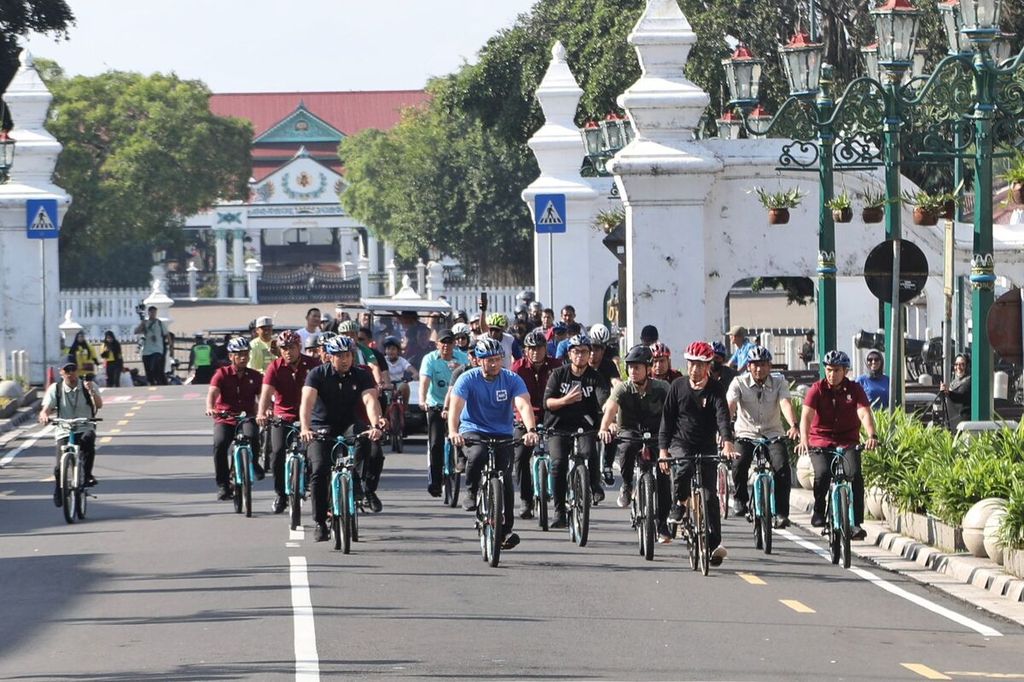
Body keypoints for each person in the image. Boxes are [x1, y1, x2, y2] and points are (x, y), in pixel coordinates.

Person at [447, 337, 539, 551]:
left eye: (498, 359)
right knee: (477, 454)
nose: (494, 364)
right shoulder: (467, 379)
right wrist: (453, 431)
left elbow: (523, 405)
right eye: (489, 360)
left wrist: (531, 430)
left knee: (505, 478)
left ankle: (506, 531)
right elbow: (456, 407)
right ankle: (470, 491)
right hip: (473, 429)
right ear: (479, 361)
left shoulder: (511, 379)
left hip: (502, 432)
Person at [299, 336, 385, 541]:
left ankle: (356, 481)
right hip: (320, 426)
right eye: (339, 356)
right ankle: (320, 522)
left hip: (348, 424)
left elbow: (370, 401)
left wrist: (374, 425)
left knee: (365, 439)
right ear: (329, 356)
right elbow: (307, 403)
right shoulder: (317, 374)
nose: (345, 360)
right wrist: (305, 428)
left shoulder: (361, 375)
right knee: (319, 471)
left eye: (348, 355)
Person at [658, 341, 735, 566]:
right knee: (683, 467)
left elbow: (722, 416)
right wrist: (663, 450)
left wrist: (728, 442)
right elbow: (667, 420)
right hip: (681, 442)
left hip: (706, 445)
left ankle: (713, 545)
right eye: (692, 364)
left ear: (709, 366)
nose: (695, 369)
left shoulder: (716, 388)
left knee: (710, 496)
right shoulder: (678, 386)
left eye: (700, 365)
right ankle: (679, 504)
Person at [796, 349, 879, 540]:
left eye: (837, 370)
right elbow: (806, 417)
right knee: (823, 473)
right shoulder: (816, 389)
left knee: (855, 475)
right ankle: (818, 510)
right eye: (829, 370)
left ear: (845, 371)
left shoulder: (855, 389)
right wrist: (803, 439)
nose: (832, 375)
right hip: (820, 440)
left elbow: (864, 413)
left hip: (847, 441)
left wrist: (871, 435)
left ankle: (856, 523)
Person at [598, 345, 674, 541]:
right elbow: (611, 409)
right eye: (630, 367)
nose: (633, 371)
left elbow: (673, 413)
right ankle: (627, 484)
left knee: (664, 476)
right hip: (630, 431)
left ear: (648, 369)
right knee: (626, 448)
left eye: (637, 367)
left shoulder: (662, 388)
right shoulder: (623, 388)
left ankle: (663, 524)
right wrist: (604, 428)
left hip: (657, 434)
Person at [726, 346, 800, 527]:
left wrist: (794, 425)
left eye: (763, 365)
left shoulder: (779, 382)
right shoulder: (738, 382)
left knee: (782, 467)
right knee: (739, 463)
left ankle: (782, 513)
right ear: (749, 366)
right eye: (755, 365)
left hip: (772, 433)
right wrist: (725, 430)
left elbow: (785, 403)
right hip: (746, 433)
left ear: (770, 366)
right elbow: (731, 405)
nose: (759, 369)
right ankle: (740, 499)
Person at [544, 333, 612, 527]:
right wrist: (565, 400)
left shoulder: (595, 378)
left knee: (589, 451)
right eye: (576, 352)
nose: (580, 356)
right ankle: (559, 511)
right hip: (559, 425)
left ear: (589, 354)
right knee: (558, 464)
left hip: (585, 425)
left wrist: (610, 418)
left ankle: (592, 484)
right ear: (569, 354)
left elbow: (604, 400)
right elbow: (547, 402)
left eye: (584, 352)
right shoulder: (558, 374)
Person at [256, 330, 320, 514]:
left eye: (291, 347)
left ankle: (311, 484)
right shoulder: (274, 367)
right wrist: (261, 413)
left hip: (308, 417)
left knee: (314, 455)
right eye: (284, 348)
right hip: (283, 417)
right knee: (276, 454)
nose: (287, 352)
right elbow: (266, 394)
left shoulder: (313, 364)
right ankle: (281, 495)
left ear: (299, 347)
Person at [204, 337, 264, 500]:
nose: (243, 357)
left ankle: (253, 462)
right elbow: (213, 392)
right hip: (225, 417)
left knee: (253, 436)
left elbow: (261, 397)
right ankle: (223, 485)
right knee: (220, 444)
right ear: (231, 356)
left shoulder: (255, 375)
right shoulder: (221, 374)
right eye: (239, 354)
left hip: (246, 416)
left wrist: (263, 411)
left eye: (246, 354)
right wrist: (210, 407)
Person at [510, 329, 561, 519]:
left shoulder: (556, 366)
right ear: (525, 350)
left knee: (560, 456)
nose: (535, 352)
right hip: (524, 418)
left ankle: (562, 498)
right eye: (531, 348)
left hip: (552, 415)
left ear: (545, 348)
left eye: (539, 348)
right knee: (521, 455)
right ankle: (526, 500)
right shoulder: (517, 368)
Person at [39, 355, 104, 502]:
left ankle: (87, 475)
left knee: (88, 442)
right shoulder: (55, 388)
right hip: (64, 428)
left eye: (73, 369)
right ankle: (59, 488)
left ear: (77, 370)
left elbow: (99, 405)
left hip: (84, 425)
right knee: (58, 466)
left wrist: (91, 390)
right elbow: (46, 408)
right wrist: (44, 415)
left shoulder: (88, 385)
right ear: (60, 372)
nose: (70, 373)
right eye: (66, 370)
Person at [420, 329, 469, 496]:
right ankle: (435, 481)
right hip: (436, 404)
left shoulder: (462, 358)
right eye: (443, 343)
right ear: (437, 344)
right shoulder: (430, 359)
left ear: (454, 344)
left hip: (458, 404)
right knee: (435, 443)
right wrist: (422, 400)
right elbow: (425, 382)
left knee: (464, 435)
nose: (446, 346)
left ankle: (460, 461)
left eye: (449, 342)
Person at [134, 306, 169, 385]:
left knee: (154, 366)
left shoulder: (159, 323)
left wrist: (170, 347)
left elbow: (167, 334)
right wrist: (142, 323)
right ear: (148, 313)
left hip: (157, 349)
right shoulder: (145, 323)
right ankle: (151, 382)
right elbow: (136, 331)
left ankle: (159, 381)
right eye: (151, 312)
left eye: (154, 312)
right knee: (148, 369)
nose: (153, 314)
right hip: (147, 350)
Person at [939, 352, 971, 430]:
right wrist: (942, 392)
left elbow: (961, 396)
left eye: (962, 364)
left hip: (963, 422)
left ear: (967, 366)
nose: (958, 367)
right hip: (951, 420)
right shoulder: (953, 382)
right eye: (956, 364)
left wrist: (948, 393)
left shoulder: (969, 381)